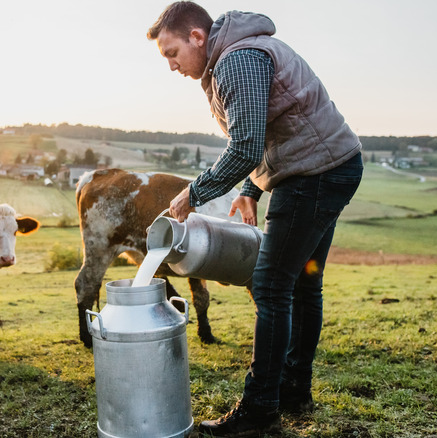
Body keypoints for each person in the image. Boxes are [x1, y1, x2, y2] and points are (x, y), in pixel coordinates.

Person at [147, 2, 363, 437]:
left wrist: (194, 192)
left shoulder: (238, 59)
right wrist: (249, 189)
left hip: (313, 174)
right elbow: (263, 134)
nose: (171, 66)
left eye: (172, 53)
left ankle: (260, 409)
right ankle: (294, 389)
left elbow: (245, 146)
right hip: (329, 166)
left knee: (270, 286)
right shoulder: (238, 53)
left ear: (196, 37)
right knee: (304, 282)